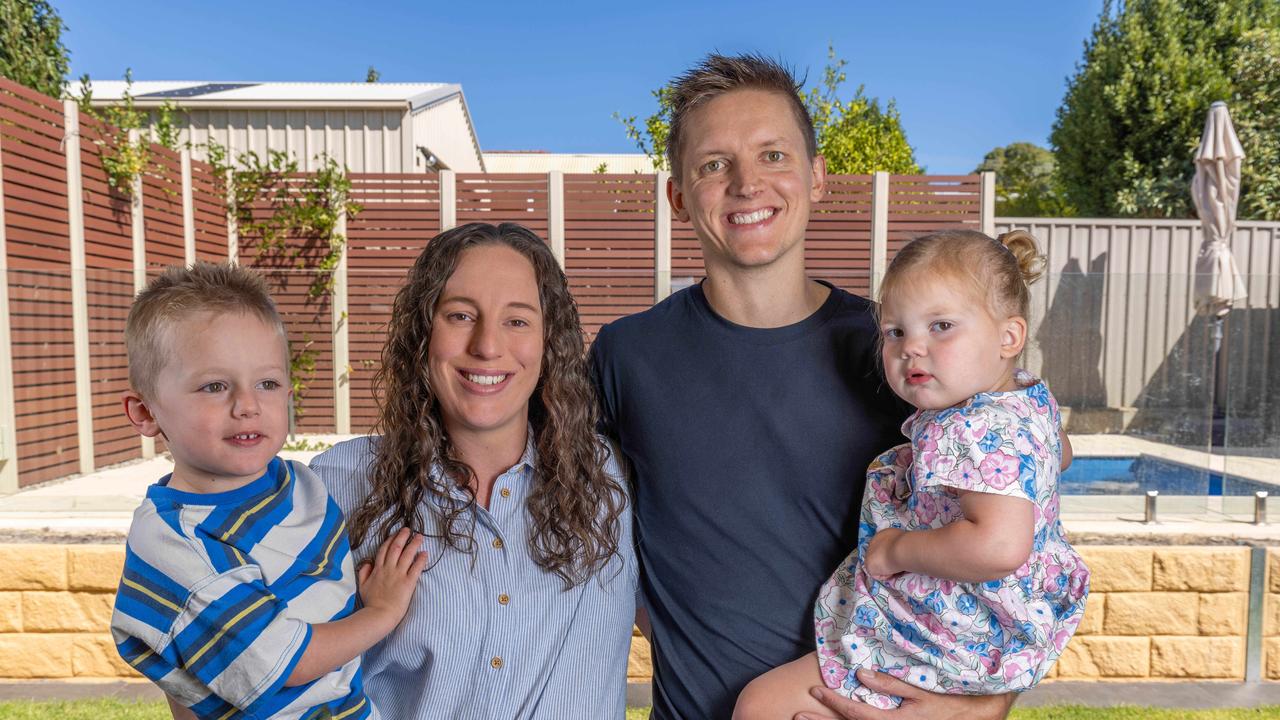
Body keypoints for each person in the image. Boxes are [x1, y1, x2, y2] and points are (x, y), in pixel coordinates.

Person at [590, 53, 1025, 719]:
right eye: (713, 164)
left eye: (772, 155)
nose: (745, 183)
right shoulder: (626, 357)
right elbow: (572, 524)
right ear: (678, 195)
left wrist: (980, 704)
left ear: (817, 177)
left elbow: (1020, 538)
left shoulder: (902, 353)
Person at [734, 230, 1090, 717]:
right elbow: (1061, 454)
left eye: (941, 326)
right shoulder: (1025, 399)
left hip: (955, 634)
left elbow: (1000, 546)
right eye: (895, 332)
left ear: (1010, 337)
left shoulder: (972, 428)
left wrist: (895, 549)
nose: (912, 347)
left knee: (761, 706)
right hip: (997, 631)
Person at [310, 222, 637, 719]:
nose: (487, 345)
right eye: (461, 315)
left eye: (518, 321)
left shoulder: (609, 478)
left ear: (551, 341)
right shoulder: (342, 482)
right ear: (424, 333)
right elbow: (251, 663)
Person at [111, 261, 425, 720]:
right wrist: (382, 612)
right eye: (214, 386)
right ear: (145, 413)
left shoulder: (297, 482)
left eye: (268, 383)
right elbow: (284, 664)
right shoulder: (178, 543)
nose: (247, 405)